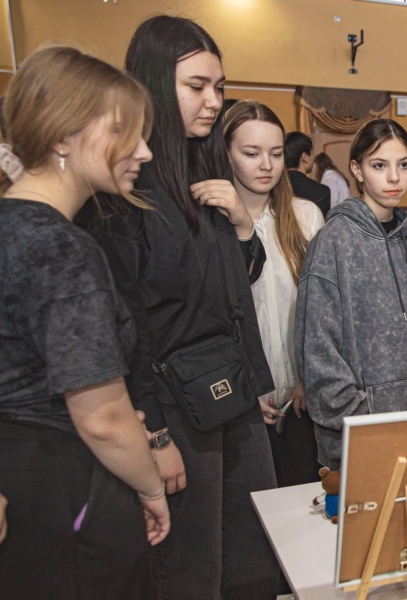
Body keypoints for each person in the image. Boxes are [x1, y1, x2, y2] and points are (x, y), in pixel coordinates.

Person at [78, 16, 280, 599]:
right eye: (197, 86)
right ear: (152, 86)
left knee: (255, 561)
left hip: (230, 394)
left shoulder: (202, 173)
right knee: (192, 571)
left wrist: (242, 229)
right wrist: (156, 437)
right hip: (172, 408)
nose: (214, 101)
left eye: (219, 86)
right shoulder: (125, 190)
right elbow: (126, 330)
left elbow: (227, 293)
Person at [0, 45, 169, 598]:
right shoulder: (61, 249)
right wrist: (150, 486)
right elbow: (101, 416)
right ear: (61, 137)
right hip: (66, 488)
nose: (144, 151)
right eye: (124, 132)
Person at [295, 118, 407, 471]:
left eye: (404, 165)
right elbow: (318, 351)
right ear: (357, 169)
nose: (394, 178)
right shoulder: (333, 242)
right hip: (364, 435)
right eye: (379, 165)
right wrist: (361, 415)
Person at [224, 100, 325, 486]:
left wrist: (309, 378)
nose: (266, 165)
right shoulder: (213, 225)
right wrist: (244, 390)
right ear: (227, 155)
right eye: (252, 153)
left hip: (300, 401)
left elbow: (321, 312)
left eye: (276, 154)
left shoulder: (305, 216)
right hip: (241, 405)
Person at [285, 131, 331, 219]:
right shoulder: (321, 192)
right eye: (313, 154)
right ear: (305, 157)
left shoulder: (273, 187)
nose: (314, 159)